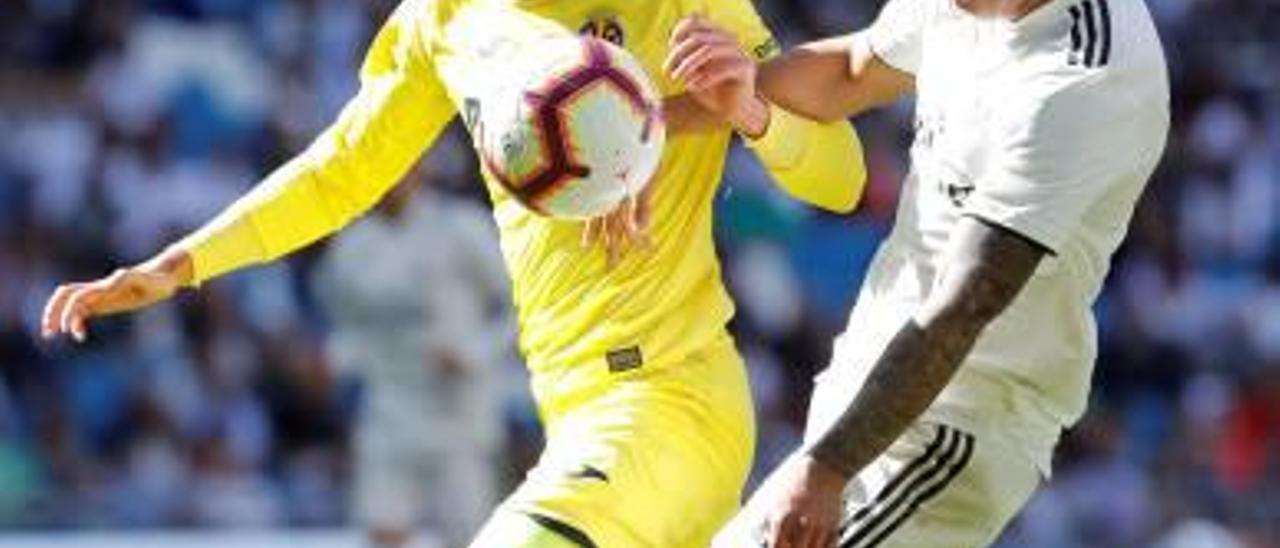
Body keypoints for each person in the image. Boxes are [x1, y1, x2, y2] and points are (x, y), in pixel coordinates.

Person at [40, 0, 868, 545]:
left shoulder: (683, 4)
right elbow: (343, 170)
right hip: (573, 410)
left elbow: (842, 177)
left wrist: (752, 111)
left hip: (676, 399)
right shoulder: (449, 19)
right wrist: (178, 265)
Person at [666, 0, 1171, 545]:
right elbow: (849, 71)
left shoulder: (1081, 81)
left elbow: (963, 305)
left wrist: (830, 466)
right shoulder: (964, 5)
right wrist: (656, 121)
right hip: (875, 389)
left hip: (954, 418)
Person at [311, 172, 511, 548]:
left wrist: (474, 353)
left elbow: (519, 306)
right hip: (387, 412)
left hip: (458, 416)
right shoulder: (352, 245)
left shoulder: (460, 227)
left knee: (471, 539)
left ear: (418, 169)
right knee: (384, 533)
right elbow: (352, 329)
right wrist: (332, 363)